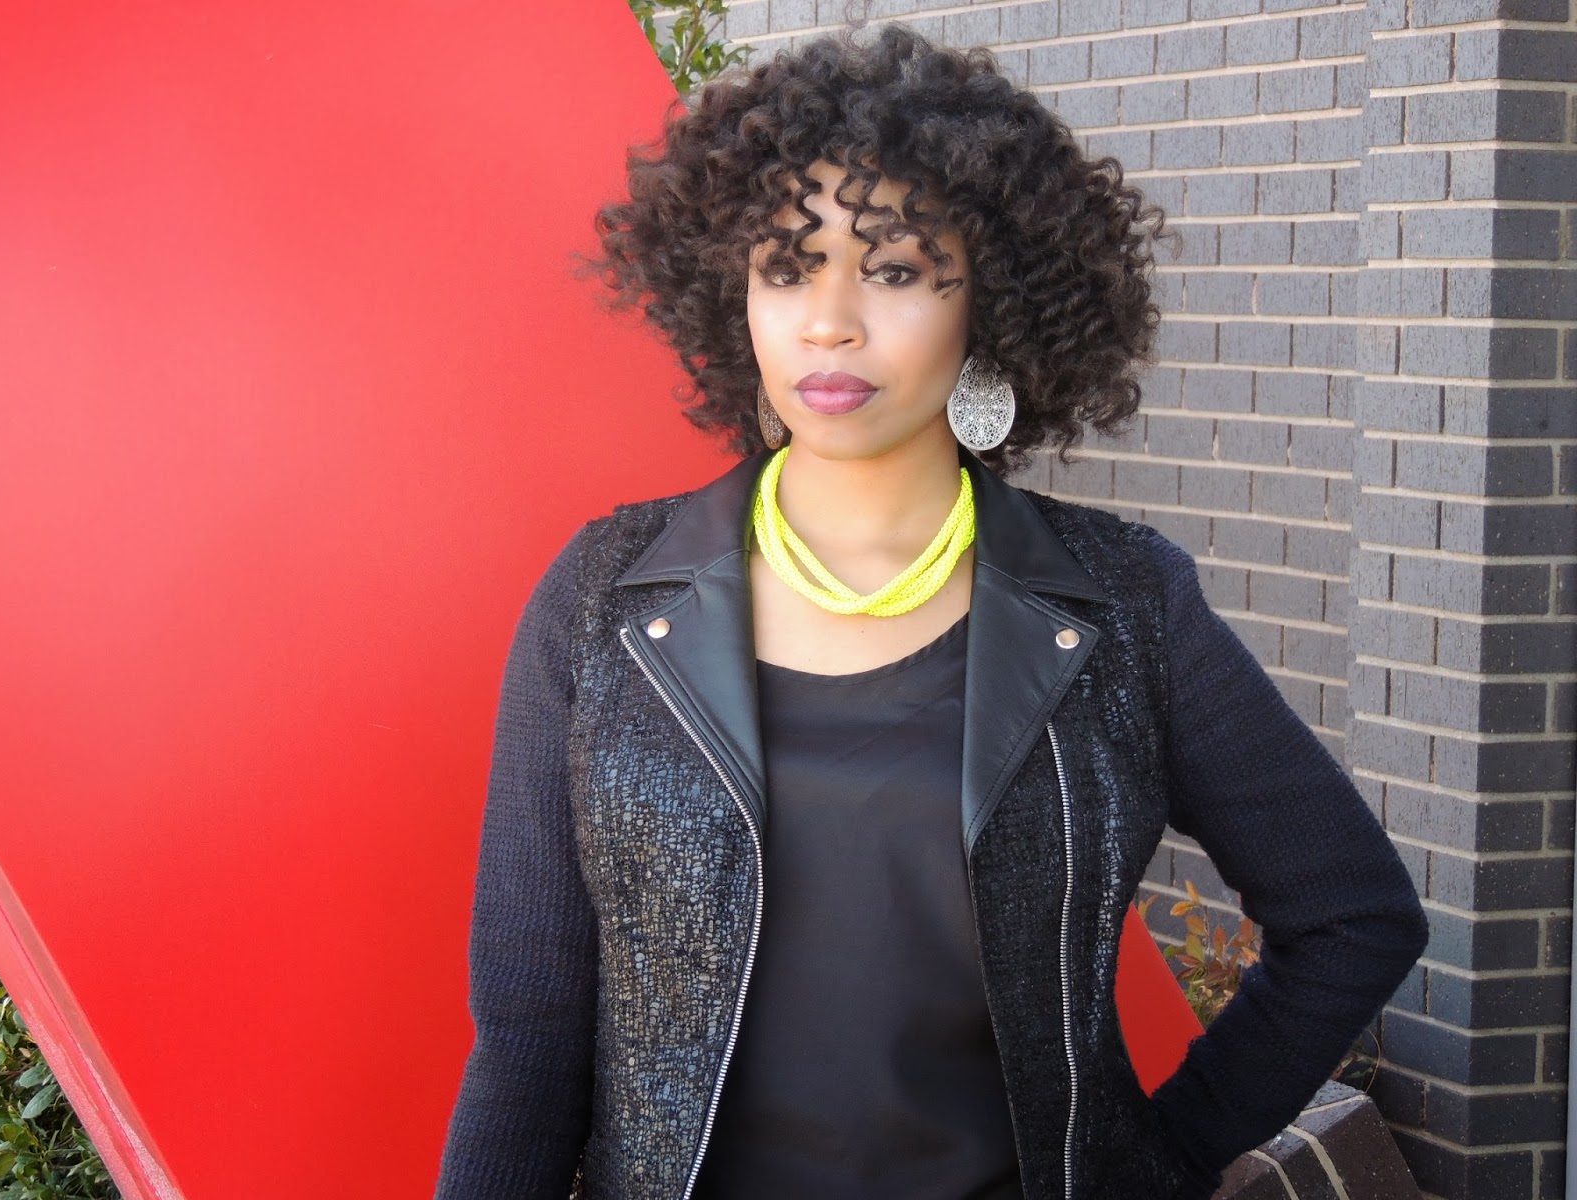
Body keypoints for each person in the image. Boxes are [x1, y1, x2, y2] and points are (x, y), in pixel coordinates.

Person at [434, 23, 1428, 1200]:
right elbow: (530, 1034)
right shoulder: (604, 597)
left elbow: (1352, 915)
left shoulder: (1123, 605)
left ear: (988, 305)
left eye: (895, 269)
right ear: (732, 295)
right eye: (787, 267)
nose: (830, 320)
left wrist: (1152, 1165)